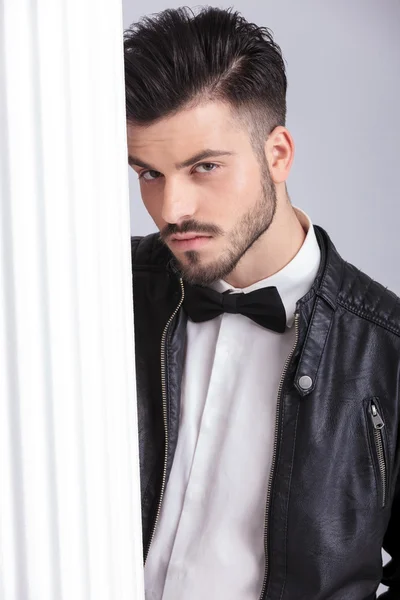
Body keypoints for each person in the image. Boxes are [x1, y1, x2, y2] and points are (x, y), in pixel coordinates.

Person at [124, 7, 400, 599]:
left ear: (277, 154)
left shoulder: (387, 350)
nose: (172, 208)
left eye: (205, 167)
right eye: (148, 173)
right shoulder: (103, 293)